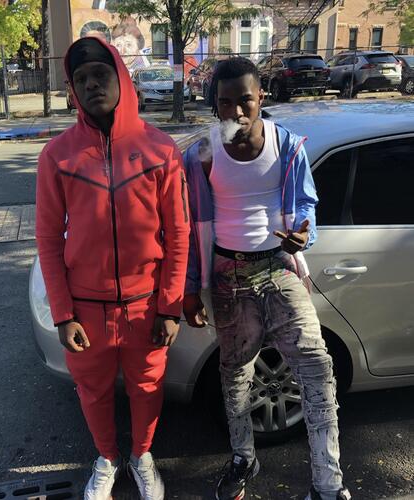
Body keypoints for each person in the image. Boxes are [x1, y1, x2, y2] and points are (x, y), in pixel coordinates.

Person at [182, 57, 351, 500]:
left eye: (245, 101)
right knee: (235, 374)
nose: (236, 112)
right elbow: (191, 226)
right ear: (215, 104)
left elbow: (306, 206)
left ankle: (328, 485)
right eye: (225, 103)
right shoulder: (202, 155)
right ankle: (243, 457)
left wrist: (304, 234)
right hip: (228, 276)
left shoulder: (288, 146)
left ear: (261, 97)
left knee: (317, 369)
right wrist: (190, 289)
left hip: (278, 267)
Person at [35, 37, 189, 500]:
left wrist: (171, 307)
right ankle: (106, 457)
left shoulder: (160, 149)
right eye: (81, 78)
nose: (91, 84)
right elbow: (48, 240)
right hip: (86, 309)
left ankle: (141, 456)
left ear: (121, 77)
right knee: (92, 391)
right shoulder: (57, 156)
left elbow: (179, 233)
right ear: (72, 90)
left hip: (146, 305)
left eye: (100, 74)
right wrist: (63, 314)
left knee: (148, 389)